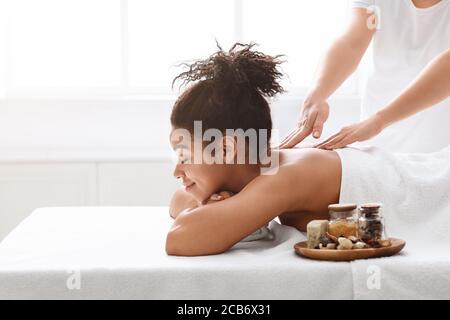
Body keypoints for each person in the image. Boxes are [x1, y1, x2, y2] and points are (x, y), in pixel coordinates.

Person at [166, 43, 450, 257]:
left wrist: (216, 205)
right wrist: (215, 202)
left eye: (184, 156)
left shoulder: (284, 178)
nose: (177, 170)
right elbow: (177, 203)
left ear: (226, 149)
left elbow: (180, 238)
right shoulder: (263, 166)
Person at [278, 0, 450, 153]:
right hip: (373, 146)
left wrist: (379, 120)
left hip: (438, 155)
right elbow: (352, 42)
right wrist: (317, 94)